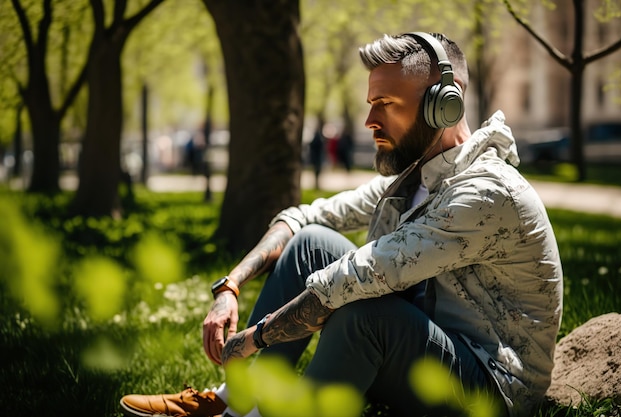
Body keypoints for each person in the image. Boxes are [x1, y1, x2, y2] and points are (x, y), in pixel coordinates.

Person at [120, 32, 563, 417]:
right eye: (371, 103)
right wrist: (229, 287)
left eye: (385, 104)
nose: (370, 121)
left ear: (443, 107)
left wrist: (254, 338)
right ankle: (234, 402)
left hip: (492, 390)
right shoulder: (420, 175)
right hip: (426, 353)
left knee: (367, 313)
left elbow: (359, 277)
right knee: (312, 242)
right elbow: (307, 216)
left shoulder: (484, 192)